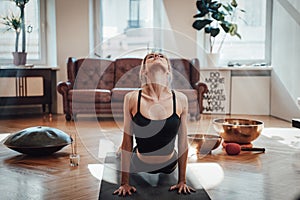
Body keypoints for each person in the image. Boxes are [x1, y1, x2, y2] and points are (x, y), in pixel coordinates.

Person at [113, 52, 195, 197]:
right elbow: (127, 141)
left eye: (161, 56)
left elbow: (183, 142)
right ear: (144, 70)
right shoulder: (132, 98)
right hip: (138, 163)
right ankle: (118, 152)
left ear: (168, 69)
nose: (156, 56)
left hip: (170, 164)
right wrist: (124, 183)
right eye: (150, 56)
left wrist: (182, 180)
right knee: (121, 151)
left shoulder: (180, 99)